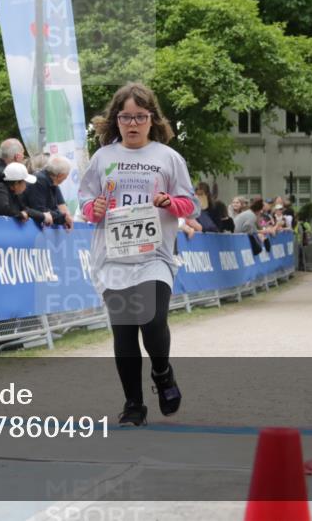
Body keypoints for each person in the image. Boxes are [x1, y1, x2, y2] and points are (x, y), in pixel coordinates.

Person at [78, 81, 198, 427]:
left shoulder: (168, 157)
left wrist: (168, 202)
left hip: (154, 256)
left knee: (153, 319)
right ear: (116, 119)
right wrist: (95, 207)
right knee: (125, 330)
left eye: (140, 117)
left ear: (151, 119)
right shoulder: (103, 158)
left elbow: (189, 203)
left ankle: (162, 372)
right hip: (113, 259)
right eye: (126, 117)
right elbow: (85, 202)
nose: (132, 124)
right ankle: (134, 404)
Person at [23, 155, 73, 229]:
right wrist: (63, 218)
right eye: (67, 174)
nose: (67, 177)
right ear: (60, 175)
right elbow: (40, 210)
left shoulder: (52, 182)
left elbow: (54, 208)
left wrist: (63, 217)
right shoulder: (39, 180)